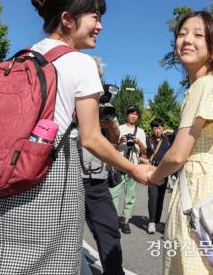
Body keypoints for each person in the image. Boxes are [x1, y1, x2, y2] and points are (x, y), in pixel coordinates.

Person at [0, 0, 151, 274]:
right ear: (68, 19)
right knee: (52, 262)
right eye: (95, 17)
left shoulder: (20, 57)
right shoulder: (80, 63)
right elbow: (91, 138)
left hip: (1, 178)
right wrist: (134, 168)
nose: (100, 26)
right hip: (49, 180)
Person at [148, 11, 213, 274]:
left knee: (191, 264)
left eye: (197, 35)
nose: (186, 40)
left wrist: (154, 176)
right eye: (181, 34)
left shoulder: (203, 86)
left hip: (198, 195)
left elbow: (177, 155)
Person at [80, 58, 125, 275]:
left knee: (109, 231)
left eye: (97, 78)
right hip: (67, 179)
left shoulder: (103, 106)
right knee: (62, 234)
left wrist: (109, 123)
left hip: (97, 182)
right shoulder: (66, 99)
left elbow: (115, 141)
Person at [110, 105, 147, 234]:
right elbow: (111, 147)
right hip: (119, 166)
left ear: (138, 117)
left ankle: (126, 223)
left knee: (130, 197)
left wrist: (138, 142)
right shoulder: (119, 129)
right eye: (131, 113)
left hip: (133, 167)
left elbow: (144, 151)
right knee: (113, 195)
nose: (133, 116)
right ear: (127, 115)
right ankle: (113, 222)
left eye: (136, 114)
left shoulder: (141, 131)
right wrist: (120, 141)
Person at [146, 119, 171, 234]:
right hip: (152, 171)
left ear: (163, 128)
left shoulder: (167, 140)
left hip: (164, 171)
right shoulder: (148, 140)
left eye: (160, 128)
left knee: (160, 198)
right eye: (155, 128)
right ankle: (151, 222)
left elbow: (176, 134)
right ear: (152, 129)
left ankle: (157, 222)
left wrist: (169, 131)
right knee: (153, 196)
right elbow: (143, 153)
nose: (157, 130)